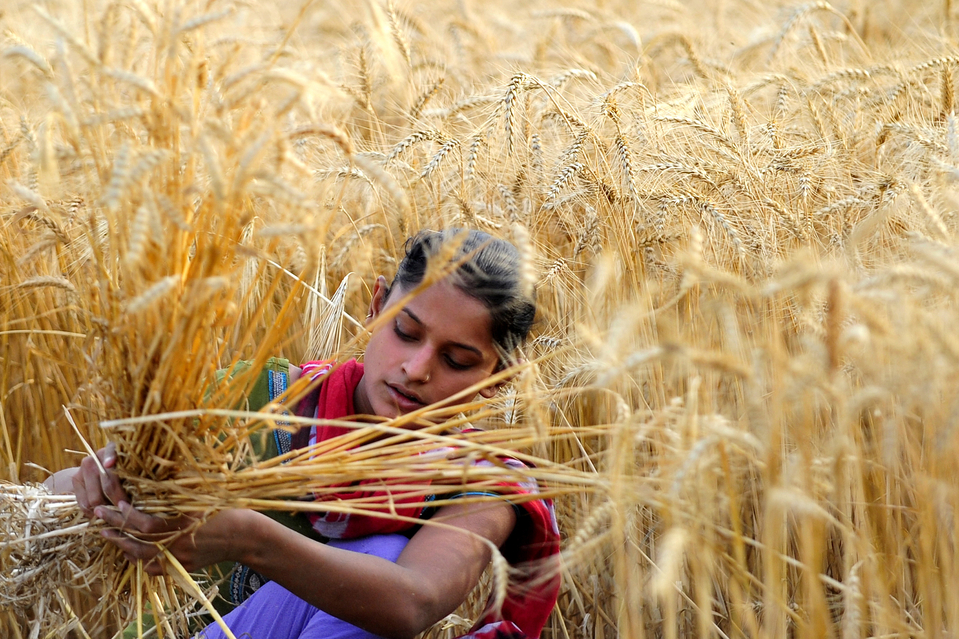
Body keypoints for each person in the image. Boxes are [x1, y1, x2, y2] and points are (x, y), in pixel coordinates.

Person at [46, 229, 560, 639]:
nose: (416, 369)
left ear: (500, 379)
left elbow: (412, 601)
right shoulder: (263, 400)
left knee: (381, 554)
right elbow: (51, 492)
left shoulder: (481, 481)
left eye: (457, 360)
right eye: (405, 332)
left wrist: (248, 537)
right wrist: (106, 480)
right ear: (376, 305)